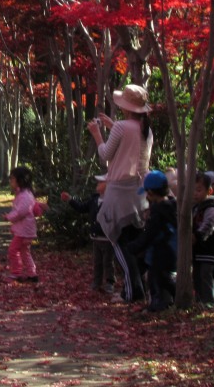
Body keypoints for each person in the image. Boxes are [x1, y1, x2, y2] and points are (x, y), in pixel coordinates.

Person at [87, 84, 153, 303]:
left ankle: (132, 291)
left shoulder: (122, 127)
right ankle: (137, 287)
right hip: (140, 191)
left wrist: (97, 134)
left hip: (119, 191)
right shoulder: (145, 128)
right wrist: (113, 126)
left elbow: (106, 154)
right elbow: (132, 147)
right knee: (134, 241)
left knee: (120, 243)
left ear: (125, 107)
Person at [127, 170, 177, 312]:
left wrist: (134, 247)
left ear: (151, 192)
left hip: (161, 253)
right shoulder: (173, 207)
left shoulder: (159, 212)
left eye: (147, 194)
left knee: (157, 281)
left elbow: (150, 234)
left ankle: (158, 306)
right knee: (165, 280)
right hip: (171, 253)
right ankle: (168, 303)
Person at [60, 174, 116, 294]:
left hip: (108, 237)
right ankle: (97, 282)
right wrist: (70, 200)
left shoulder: (113, 201)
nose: (98, 185)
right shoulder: (93, 200)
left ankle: (110, 282)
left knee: (108, 262)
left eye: (101, 183)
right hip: (96, 237)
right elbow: (81, 208)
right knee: (97, 261)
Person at [192, 171, 214, 307]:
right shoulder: (195, 207)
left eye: (199, 190)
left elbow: (211, 222)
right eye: (192, 190)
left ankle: (209, 301)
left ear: (209, 190)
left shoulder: (210, 206)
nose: (195, 193)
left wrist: (199, 236)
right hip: (198, 249)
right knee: (197, 274)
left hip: (210, 248)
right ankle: (200, 299)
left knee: (206, 273)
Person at [3, 166, 39, 283]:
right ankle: (31, 273)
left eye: (12, 179)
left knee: (13, 250)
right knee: (24, 251)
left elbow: (21, 212)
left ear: (20, 180)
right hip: (25, 229)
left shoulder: (25, 196)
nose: (10, 181)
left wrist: (9, 217)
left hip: (24, 230)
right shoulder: (23, 194)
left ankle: (16, 272)